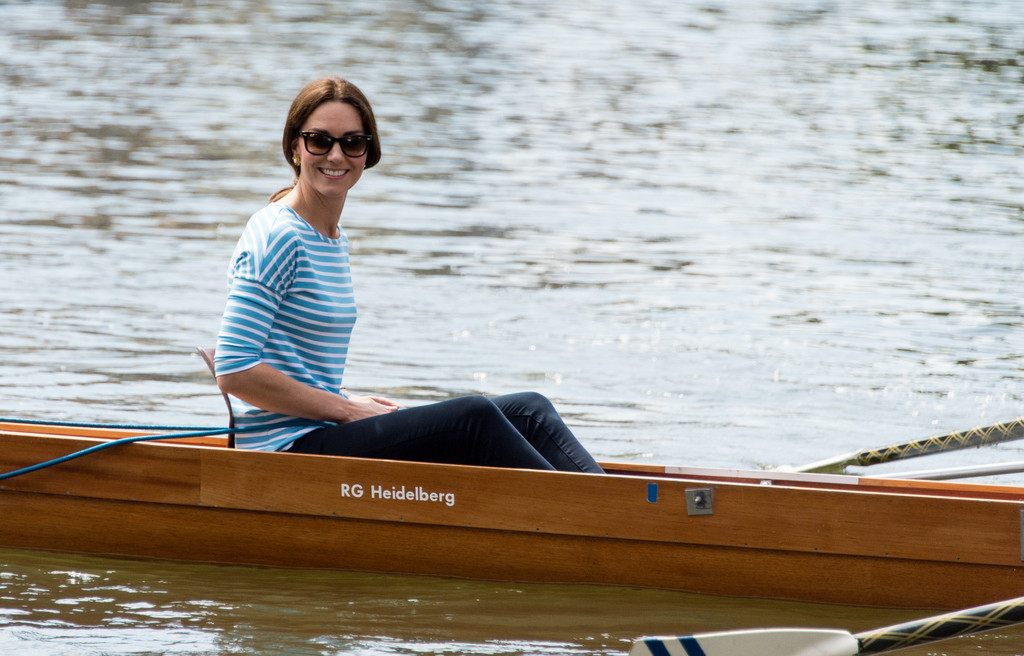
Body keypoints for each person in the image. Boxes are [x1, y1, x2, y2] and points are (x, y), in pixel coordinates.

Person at [213, 77, 603, 474]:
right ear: (295, 147)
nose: (335, 155)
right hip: (285, 451)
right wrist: (345, 409)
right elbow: (234, 368)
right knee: (475, 416)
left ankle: (615, 509)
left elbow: (294, 360)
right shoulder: (279, 235)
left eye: (352, 142)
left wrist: (345, 399)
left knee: (529, 410)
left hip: (320, 428)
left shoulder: (331, 238)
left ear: (367, 153)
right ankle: (594, 521)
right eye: (319, 140)